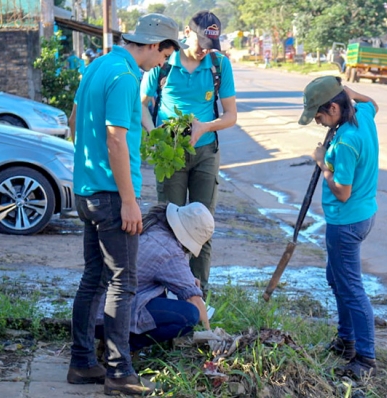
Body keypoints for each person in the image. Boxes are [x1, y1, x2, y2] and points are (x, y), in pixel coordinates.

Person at [66, 13, 185, 396]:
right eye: (164, 56)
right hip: (111, 195)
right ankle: (119, 372)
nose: (162, 64)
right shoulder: (125, 76)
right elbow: (116, 139)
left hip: (88, 191)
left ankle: (83, 362)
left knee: (94, 279)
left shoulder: (99, 65)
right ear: (153, 45)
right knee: (123, 282)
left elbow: (73, 122)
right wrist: (129, 202)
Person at [140, 10, 237, 292]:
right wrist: (154, 135)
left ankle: (197, 296)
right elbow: (142, 104)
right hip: (170, 155)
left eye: (211, 47)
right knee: (168, 224)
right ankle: (165, 292)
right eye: (201, 46)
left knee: (202, 225)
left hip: (205, 152)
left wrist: (204, 127)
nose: (205, 53)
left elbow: (231, 115)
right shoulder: (164, 63)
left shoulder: (219, 65)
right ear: (186, 32)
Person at [298, 76, 379, 379]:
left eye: (319, 115)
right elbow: (373, 103)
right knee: (337, 279)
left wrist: (323, 163)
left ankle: (365, 359)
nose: (318, 122)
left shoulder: (345, 141)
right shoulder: (363, 116)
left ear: (333, 107)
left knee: (351, 289)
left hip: (346, 223)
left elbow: (342, 190)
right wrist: (352, 93)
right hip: (363, 215)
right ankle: (346, 340)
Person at [95, 202, 213, 352]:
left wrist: (186, 281)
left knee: (164, 295)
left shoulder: (153, 228)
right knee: (190, 316)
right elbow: (194, 300)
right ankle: (121, 347)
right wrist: (210, 334)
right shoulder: (170, 250)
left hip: (96, 311)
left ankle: (111, 341)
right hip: (111, 316)